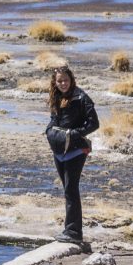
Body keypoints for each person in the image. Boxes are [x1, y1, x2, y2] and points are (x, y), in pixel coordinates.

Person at [45, 66, 99, 244]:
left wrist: (74, 134)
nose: (62, 84)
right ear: (55, 81)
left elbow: (94, 124)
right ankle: (69, 229)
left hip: (76, 150)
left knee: (71, 190)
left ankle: (74, 233)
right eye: (59, 81)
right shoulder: (56, 96)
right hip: (60, 150)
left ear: (71, 79)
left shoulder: (82, 97)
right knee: (67, 190)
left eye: (65, 80)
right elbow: (55, 119)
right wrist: (50, 130)